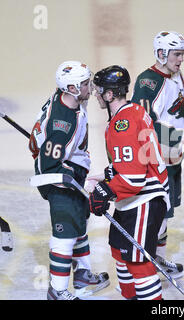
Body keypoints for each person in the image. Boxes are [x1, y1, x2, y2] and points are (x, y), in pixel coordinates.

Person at [28, 61, 110, 300]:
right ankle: (58, 291)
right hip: (59, 180)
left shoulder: (67, 100)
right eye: (85, 84)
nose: (90, 87)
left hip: (70, 169)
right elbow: (48, 165)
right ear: (72, 88)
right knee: (65, 235)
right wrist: (73, 180)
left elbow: (34, 144)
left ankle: (83, 276)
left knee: (79, 224)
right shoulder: (62, 123)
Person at [89, 65, 171, 300]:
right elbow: (132, 163)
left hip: (143, 200)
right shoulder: (133, 110)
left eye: (100, 91)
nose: (96, 94)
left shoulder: (121, 125)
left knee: (139, 264)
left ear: (110, 94)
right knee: (119, 251)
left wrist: (104, 191)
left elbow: (133, 179)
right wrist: (107, 177)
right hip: (136, 199)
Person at [130, 31, 184, 279]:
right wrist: (177, 136)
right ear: (162, 54)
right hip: (153, 159)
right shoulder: (147, 82)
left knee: (165, 212)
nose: (181, 59)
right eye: (177, 54)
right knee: (155, 212)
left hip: (171, 158)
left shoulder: (175, 75)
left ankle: (156, 258)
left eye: (182, 54)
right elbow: (141, 124)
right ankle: (145, 262)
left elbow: (177, 108)